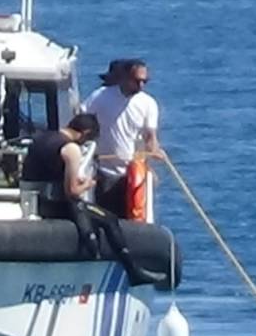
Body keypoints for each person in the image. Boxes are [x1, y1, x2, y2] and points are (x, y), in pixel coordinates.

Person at [21, 114, 165, 284]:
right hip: (58, 205)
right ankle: (132, 270)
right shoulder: (71, 149)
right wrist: (88, 184)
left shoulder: (42, 138)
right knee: (109, 219)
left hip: (37, 201)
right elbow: (72, 192)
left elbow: (49, 171)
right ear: (85, 133)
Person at [80, 58, 167, 216]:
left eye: (145, 81)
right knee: (105, 217)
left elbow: (150, 137)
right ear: (125, 78)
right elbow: (81, 119)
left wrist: (155, 154)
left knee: (133, 217)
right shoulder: (100, 97)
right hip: (105, 172)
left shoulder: (148, 103)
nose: (141, 86)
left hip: (132, 173)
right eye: (137, 81)